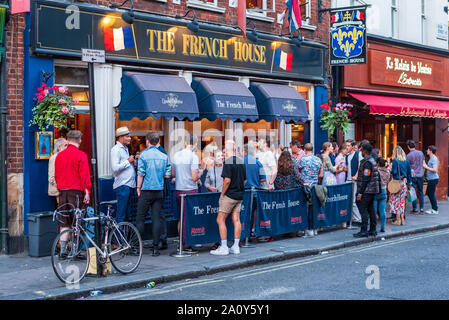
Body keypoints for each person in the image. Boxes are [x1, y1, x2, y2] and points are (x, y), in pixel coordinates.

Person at [55, 130, 91, 259]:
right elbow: (85, 175)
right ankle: (74, 250)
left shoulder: (60, 155)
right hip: (76, 192)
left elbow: (57, 175)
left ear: (67, 139)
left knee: (64, 221)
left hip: (62, 192)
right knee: (77, 222)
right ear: (80, 140)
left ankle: (63, 251)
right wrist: (87, 191)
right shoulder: (81, 155)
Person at [136, 133, 171, 257]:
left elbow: (141, 173)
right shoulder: (163, 156)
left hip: (146, 190)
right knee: (156, 219)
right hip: (159, 190)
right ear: (158, 141)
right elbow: (167, 175)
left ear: (147, 142)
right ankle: (155, 248)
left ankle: (137, 247)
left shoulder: (143, 155)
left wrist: (138, 187)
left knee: (140, 218)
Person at [210, 140, 246, 256]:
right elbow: (245, 180)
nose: (224, 154)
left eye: (225, 151)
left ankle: (224, 247)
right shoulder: (241, 161)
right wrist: (238, 187)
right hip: (239, 195)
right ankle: (235, 247)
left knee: (220, 219)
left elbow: (227, 180)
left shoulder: (228, 162)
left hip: (229, 195)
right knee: (236, 219)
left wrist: (222, 194)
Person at [172, 135, 203, 252]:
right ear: (195, 144)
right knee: (188, 218)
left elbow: (173, 174)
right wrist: (201, 172)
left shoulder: (176, 155)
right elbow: (194, 177)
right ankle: (185, 244)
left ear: (185, 143)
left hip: (179, 189)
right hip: (190, 190)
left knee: (181, 217)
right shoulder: (193, 157)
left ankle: (181, 242)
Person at [353, 141, 381, 238]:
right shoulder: (371, 160)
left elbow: (366, 178)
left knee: (363, 209)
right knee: (371, 209)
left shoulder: (367, 162)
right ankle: (372, 230)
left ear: (364, 151)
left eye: (361, 149)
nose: (360, 151)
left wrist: (360, 192)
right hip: (372, 190)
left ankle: (364, 230)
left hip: (366, 190)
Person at [110, 127, 136, 224]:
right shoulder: (116, 150)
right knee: (121, 215)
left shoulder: (125, 149)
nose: (130, 138)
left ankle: (125, 239)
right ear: (120, 137)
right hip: (122, 186)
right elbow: (115, 168)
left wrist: (132, 162)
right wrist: (128, 161)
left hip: (129, 185)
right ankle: (118, 239)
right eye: (127, 136)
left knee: (127, 215)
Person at [297, 143, 323, 237]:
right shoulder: (318, 160)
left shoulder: (303, 160)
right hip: (315, 186)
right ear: (313, 149)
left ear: (304, 149)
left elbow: (297, 171)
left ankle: (306, 229)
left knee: (305, 208)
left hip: (305, 186)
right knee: (314, 208)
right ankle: (314, 228)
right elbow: (321, 174)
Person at [243, 144, 266, 241]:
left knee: (243, 213)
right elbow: (263, 179)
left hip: (244, 191)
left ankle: (243, 234)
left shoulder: (241, 162)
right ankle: (251, 232)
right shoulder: (258, 163)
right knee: (253, 213)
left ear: (244, 152)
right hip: (255, 190)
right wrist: (255, 180)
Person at [389, 146, 412, 226]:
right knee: (402, 202)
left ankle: (398, 220)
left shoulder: (395, 160)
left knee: (395, 202)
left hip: (396, 184)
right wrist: (409, 184)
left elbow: (394, 172)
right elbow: (409, 174)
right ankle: (402, 219)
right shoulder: (406, 162)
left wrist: (390, 169)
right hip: (404, 184)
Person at [345, 140, 362, 224]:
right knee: (348, 201)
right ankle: (351, 218)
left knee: (353, 201)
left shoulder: (358, 154)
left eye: (348, 146)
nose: (347, 147)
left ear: (352, 146)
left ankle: (358, 219)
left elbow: (360, 166)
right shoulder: (346, 156)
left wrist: (356, 175)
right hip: (347, 180)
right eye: (346, 146)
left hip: (354, 181)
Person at [406, 140, 425, 214]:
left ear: (408, 147)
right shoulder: (421, 153)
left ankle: (415, 208)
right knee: (420, 192)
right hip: (421, 174)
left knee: (413, 191)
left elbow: (408, 167)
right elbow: (423, 163)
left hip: (413, 175)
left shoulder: (408, 155)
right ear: (414, 146)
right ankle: (422, 208)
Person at [48, 137, 68, 207]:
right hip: (59, 191)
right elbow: (51, 177)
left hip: (65, 190)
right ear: (59, 147)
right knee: (62, 210)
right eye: (65, 145)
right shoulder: (54, 158)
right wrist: (61, 187)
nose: (67, 147)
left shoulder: (66, 157)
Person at [373, 157, 390, 233]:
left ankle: (373, 228)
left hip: (376, 191)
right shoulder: (388, 172)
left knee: (374, 211)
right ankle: (383, 227)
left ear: (378, 163)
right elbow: (388, 181)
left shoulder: (376, 171)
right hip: (383, 191)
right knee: (382, 210)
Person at [423, 145, 439, 215]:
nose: (427, 151)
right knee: (430, 193)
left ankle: (435, 209)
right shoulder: (431, 158)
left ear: (431, 151)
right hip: (431, 179)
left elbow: (435, 170)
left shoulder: (434, 159)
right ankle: (434, 208)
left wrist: (426, 167)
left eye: (428, 150)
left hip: (433, 179)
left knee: (431, 194)